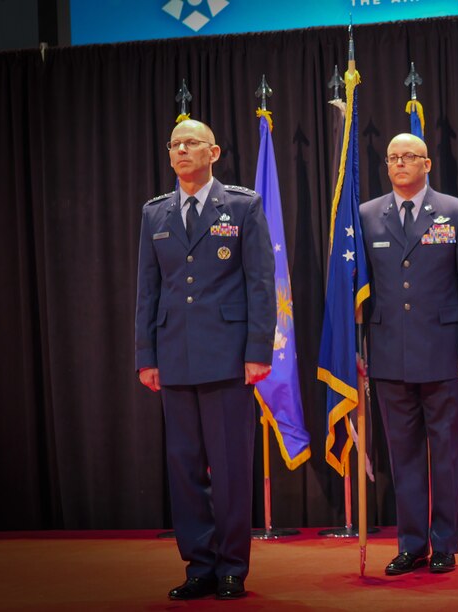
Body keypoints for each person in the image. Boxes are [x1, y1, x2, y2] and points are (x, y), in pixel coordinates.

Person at [135, 119, 276, 600]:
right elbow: (147, 291)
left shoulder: (241, 205)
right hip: (175, 357)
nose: (181, 151)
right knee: (184, 467)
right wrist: (146, 356)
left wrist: (258, 350)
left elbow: (260, 283)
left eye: (191, 143)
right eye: (174, 144)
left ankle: (233, 566)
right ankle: (199, 565)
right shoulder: (155, 214)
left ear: (213, 151)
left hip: (228, 357)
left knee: (231, 467)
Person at [359, 133, 458, 575]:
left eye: (408, 156)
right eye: (393, 157)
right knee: (403, 456)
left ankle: (445, 543)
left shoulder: (456, 211)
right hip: (389, 355)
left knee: (446, 453)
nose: (399, 163)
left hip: (445, 354)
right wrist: (357, 351)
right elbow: (357, 291)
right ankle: (411, 544)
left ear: (427, 163)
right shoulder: (367, 215)